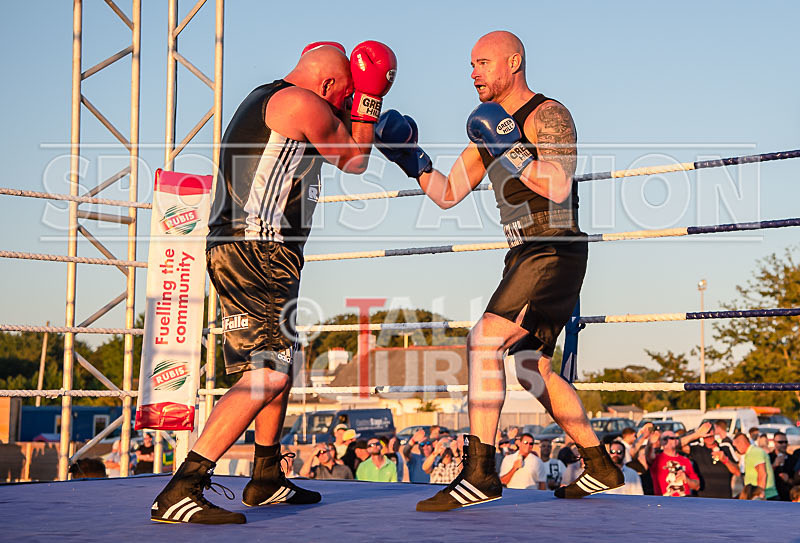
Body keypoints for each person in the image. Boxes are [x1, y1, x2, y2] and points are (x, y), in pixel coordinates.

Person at [150, 41, 397, 525]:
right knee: (268, 373)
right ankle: (183, 487)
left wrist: (358, 113)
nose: (341, 106)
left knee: (280, 362)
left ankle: (265, 476)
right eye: (341, 96)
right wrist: (370, 99)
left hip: (257, 250)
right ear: (328, 84)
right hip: (256, 248)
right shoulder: (301, 103)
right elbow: (355, 159)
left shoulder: (270, 97)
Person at [375, 30, 622, 512]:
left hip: (552, 244)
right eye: (471, 65)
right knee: (533, 369)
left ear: (513, 62)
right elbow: (447, 193)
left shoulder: (548, 114)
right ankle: (600, 464)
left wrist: (510, 145)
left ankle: (481, 473)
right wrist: (411, 158)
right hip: (523, 252)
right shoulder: (486, 128)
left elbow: (557, 184)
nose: (473, 74)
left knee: (483, 341)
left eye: (482, 63)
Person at [682, 422, 739, 499]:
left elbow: (737, 472)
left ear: (714, 432)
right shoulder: (697, 448)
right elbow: (675, 445)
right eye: (706, 434)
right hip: (702, 499)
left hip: (724, 499)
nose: (708, 436)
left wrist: (725, 460)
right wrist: (696, 434)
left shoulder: (726, 447)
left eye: (710, 432)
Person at [648, 431, 700, 497]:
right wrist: (650, 443)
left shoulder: (685, 460)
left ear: (676, 441)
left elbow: (697, 486)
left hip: (684, 500)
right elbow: (647, 455)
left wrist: (686, 479)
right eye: (665, 439)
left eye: (671, 438)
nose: (667, 441)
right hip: (664, 500)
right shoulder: (656, 459)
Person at [733, 432, 778, 500]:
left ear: (741, 443)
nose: (736, 450)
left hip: (765, 496)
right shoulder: (751, 453)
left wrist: (759, 495)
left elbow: (762, 474)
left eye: (735, 447)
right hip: (759, 495)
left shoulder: (754, 452)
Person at [770, 431, 797, 501]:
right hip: (773, 497)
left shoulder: (793, 459)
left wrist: (788, 480)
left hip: (788, 497)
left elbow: (796, 481)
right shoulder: (769, 457)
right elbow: (764, 475)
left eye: (786, 442)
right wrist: (774, 465)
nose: (784, 444)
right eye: (780, 442)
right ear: (774, 443)